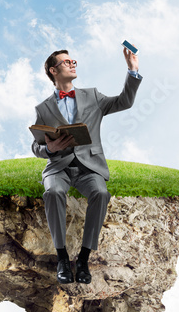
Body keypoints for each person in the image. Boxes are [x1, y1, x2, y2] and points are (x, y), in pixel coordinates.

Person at [31, 47, 142, 284]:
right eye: (67, 62)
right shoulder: (43, 109)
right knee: (53, 192)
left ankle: (83, 259)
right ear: (53, 70)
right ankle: (62, 258)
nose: (73, 64)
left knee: (101, 193)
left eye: (74, 61)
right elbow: (36, 147)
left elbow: (124, 101)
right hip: (58, 168)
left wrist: (133, 71)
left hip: (88, 166)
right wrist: (51, 149)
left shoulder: (92, 96)